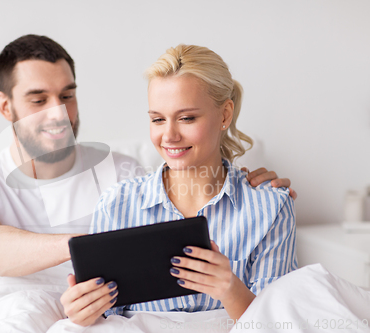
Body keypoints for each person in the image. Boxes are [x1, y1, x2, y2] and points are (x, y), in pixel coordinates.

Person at [0, 35, 294, 279]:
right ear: (6, 106)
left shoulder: (121, 172)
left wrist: (251, 190)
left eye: (67, 95)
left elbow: (182, 191)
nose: (58, 112)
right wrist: (98, 246)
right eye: (39, 100)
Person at [60, 44, 297, 327]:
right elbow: (104, 317)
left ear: (224, 115)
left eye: (186, 118)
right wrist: (83, 311)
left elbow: (277, 323)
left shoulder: (271, 206)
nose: (169, 135)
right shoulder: (116, 205)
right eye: (158, 119)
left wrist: (230, 289)